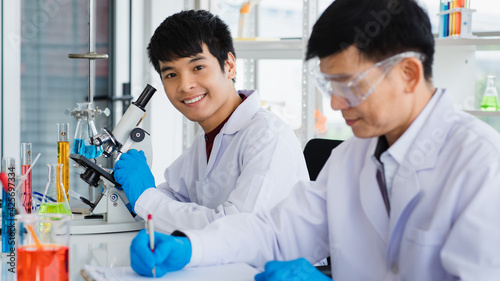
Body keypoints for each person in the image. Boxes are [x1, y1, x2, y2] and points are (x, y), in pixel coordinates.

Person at [129, 0, 500, 280]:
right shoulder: (352, 158)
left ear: (407, 73)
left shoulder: (481, 165)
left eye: (350, 85)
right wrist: (191, 247)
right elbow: (274, 231)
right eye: (329, 86)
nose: (336, 104)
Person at [113, 10, 309, 233]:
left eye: (198, 67)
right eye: (171, 74)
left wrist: (146, 198)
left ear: (229, 66)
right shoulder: (209, 137)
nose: (185, 85)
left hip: (271, 266)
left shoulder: (267, 138)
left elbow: (237, 230)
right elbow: (178, 194)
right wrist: (131, 197)